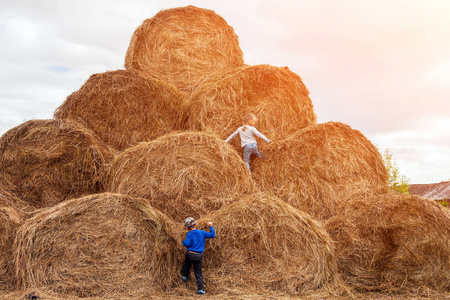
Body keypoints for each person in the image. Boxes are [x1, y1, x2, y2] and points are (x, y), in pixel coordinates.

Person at [181, 217, 215, 296]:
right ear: (196, 224)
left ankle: (184, 277)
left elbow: (187, 244)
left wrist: (183, 242)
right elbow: (212, 235)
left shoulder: (189, 234)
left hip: (190, 254)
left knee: (186, 265)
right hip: (198, 256)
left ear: (186, 228)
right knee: (198, 273)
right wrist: (211, 226)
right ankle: (200, 289)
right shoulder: (202, 233)